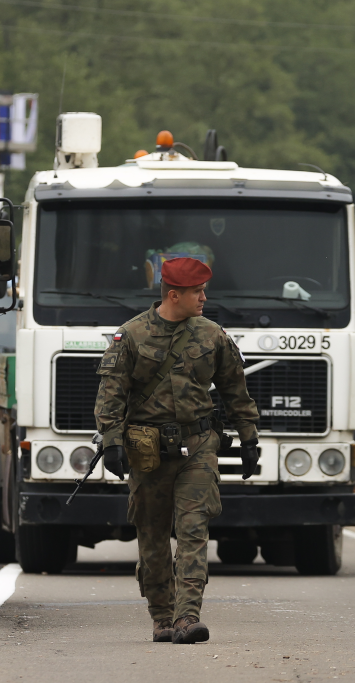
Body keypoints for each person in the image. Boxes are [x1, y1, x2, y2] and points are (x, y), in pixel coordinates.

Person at [93, 257, 259, 644]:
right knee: (152, 538)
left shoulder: (213, 335)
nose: (204, 298)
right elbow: (110, 394)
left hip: (198, 446)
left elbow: (237, 390)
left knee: (193, 529)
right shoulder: (130, 336)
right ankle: (162, 616)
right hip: (148, 451)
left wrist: (249, 438)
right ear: (174, 295)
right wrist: (113, 441)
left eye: (203, 291)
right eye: (197, 292)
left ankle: (188, 617)